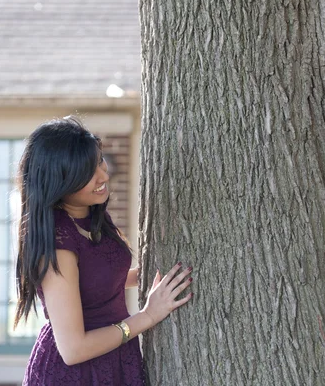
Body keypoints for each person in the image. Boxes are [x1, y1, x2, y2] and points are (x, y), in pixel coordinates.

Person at [14, 117, 193, 385]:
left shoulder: (91, 214)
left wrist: (148, 275)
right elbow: (73, 349)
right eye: (87, 173)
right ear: (59, 182)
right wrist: (149, 315)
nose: (103, 176)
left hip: (117, 358)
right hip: (75, 375)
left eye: (99, 161)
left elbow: (96, 279)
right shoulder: (57, 243)